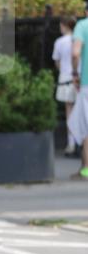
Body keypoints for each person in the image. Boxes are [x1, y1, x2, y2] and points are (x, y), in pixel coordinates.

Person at [52, 16, 78, 156]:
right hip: (80, 77)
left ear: (63, 25)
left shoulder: (59, 42)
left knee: (69, 111)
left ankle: (71, 143)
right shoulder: (78, 38)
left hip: (66, 77)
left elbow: (57, 62)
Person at [68, 10, 88, 181]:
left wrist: (75, 72)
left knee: (84, 127)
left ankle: (86, 169)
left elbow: (75, 53)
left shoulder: (83, 25)